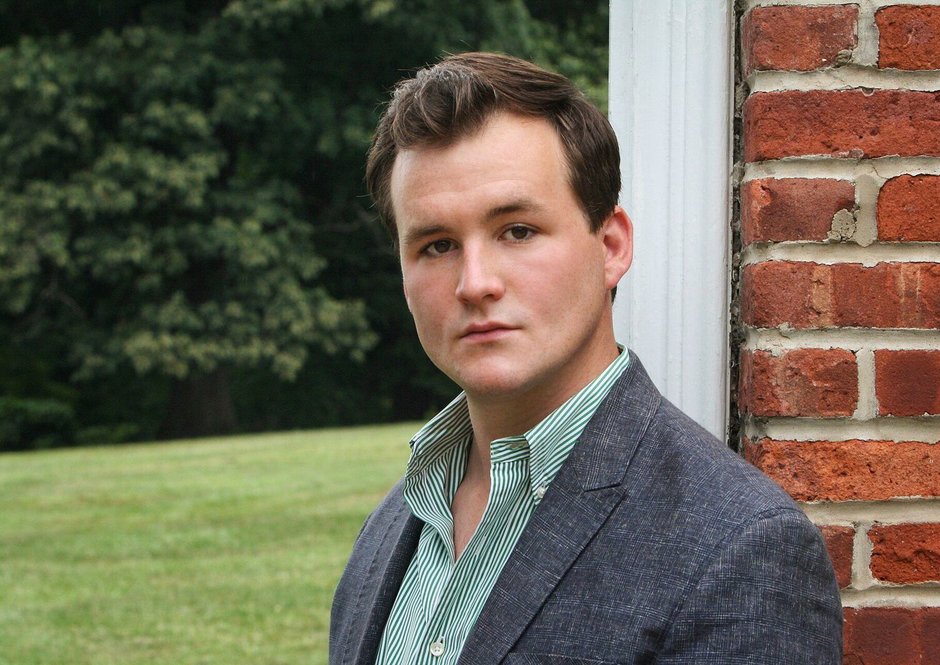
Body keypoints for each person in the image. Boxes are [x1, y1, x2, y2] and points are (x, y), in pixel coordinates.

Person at [328, 52, 842, 665]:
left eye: (517, 230)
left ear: (611, 247)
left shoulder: (739, 549)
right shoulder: (393, 524)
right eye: (436, 245)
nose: (474, 283)